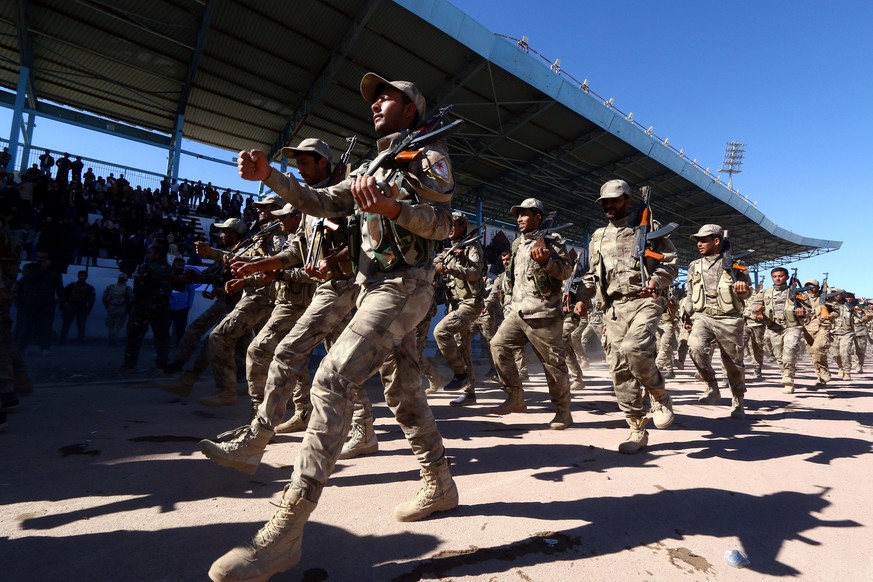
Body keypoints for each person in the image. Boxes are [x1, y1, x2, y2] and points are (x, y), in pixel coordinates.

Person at [208, 73, 458, 582]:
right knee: (406, 395)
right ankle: (441, 484)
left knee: (332, 378)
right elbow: (321, 203)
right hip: (373, 289)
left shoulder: (427, 156)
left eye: (388, 96)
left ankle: (285, 530)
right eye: (374, 97)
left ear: (411, 109)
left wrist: (392, 208)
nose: (376, 103)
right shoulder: (374, 164)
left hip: (405, 286)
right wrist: (271, 178)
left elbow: (442, 225)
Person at [578, 179, 678, 454]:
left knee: (634, 348)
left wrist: (657, 280)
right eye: (605, 202)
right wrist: (580, 299)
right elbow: (591, 275)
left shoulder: (649, 229)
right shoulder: (598, 236)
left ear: (628, 200)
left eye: (614, 200)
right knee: (619, 369)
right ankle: (637, 428)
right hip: (613, 307)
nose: (609, 205)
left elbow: (670, 263)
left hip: (645, 300)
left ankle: (658, 394)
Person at [489, 197, 574, 429]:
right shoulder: (517, 244)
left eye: (525, 214)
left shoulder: (553, 240)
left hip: (544, 312)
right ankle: (515, 396)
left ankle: (563, 411)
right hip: (518, 311)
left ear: (538, 217)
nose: (519, 218)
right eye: (518, 214)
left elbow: (565, 272)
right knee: (498, 345)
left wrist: (548, 261)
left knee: (553, 364)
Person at [684, 225, 752, 418]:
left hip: (729, 318)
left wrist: (743, 290)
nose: (699, 243)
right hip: (703, 316)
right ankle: (711, 386)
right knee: (695, 348)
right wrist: (687, 315)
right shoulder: (694, 266)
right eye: (698, 240)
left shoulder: (737, 264)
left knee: (733, 362)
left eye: (703, 239)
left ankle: (738, 398)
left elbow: (748, 291)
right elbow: (690, 293)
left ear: (716, 241)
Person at [432, 211, 485, 406]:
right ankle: (469, 392)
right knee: (463, 348)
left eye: (455, 224)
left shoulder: (472, 246)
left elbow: (475, 272)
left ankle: (460, 373)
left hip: (470, 302)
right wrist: (439, 263)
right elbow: (435, 262)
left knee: (441, 332)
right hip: (454, 304)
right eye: (448, 224)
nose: (451, 228)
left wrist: (450, 269)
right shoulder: (448, 251)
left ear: (463, 226)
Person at [751, 267, 807, 392]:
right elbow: (752, 308)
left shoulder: (796, 293)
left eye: (780, 276)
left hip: (792, 326)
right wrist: (757, 313)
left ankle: (788, 377)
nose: (778, 278)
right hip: (773, 328)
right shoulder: (765, 293)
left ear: (786, 277)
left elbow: (808, 310)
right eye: (775, 276)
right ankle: (786, 374)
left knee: (790, 349)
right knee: (779, 356)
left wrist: (802, 313)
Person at [121, 244, 172, 372]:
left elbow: (139, 287)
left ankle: (129, 365)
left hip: (143, 305)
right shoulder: (169, 269)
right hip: (162, 306)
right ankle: (162, 364)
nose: (148, 255)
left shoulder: (146, 267)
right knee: (162, 337)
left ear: (158, 254)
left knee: (134, 336)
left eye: (150, 253)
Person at [15, 250, 64, 353]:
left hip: (47, 301)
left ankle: (45, 348)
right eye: (39, 257)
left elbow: (59, 286)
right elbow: (29, 280)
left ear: (48, 259)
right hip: (30, 300)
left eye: (43, 258)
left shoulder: (54, 271)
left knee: (46, 326)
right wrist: (43, 268)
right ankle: (20, 349)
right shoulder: (29, 267)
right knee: (26, 326)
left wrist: (62, 299)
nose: (40, 259)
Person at [799, 278, 833, 386]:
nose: (810, 289)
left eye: (812, 286)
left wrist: (830, 315)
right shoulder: (801, 299)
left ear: (818, 287)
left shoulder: (825, 298)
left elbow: (836, 311)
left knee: (818, 348)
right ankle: (820, 376)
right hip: (808, 328)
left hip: (823, 327)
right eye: (807, 286)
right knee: (813, 354)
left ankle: (824, 371)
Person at [59, 269, 96, 344]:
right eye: (81, 276)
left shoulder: (90, 288)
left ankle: (81, 340)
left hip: (82, 306)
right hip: (71, 305)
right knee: (66, 323)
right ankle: (62, 340)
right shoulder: (71, 286)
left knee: (81, 324)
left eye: (84, 276)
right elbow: (64, 296)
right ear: (78, 276)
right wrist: (62, 305)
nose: (82, 277)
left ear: (86, 277)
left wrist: (89, 309)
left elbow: (91, 300)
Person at [168, 257, 198, 346]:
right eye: (179, 265)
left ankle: (179, 347)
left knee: (180, 330)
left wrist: (189, 305)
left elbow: (191, 291)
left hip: (182, 308)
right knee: (164, 329)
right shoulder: (168, 275)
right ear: (173, 265)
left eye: (182, 266)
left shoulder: (187, 277)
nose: (181, 267)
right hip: (168, 307)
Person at [103, 273, 133, 346]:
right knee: (118, 325)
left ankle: (110, 339)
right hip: (122, 308)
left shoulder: (111, 287)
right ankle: (113, 340)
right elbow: (131, 299)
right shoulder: (128, 288)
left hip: (111, 307)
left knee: (111, 325)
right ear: (126, 280)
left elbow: (104, 298)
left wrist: (107, 306)